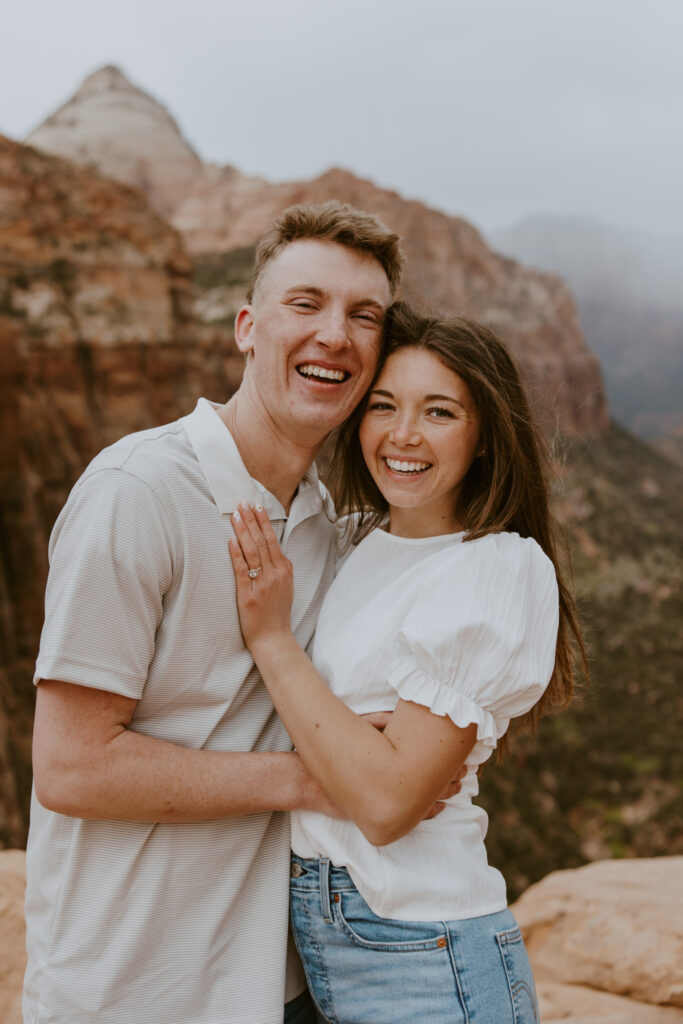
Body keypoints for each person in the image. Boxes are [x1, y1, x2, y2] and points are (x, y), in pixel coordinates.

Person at [24, 201, 409, 1024]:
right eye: (304, 304)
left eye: (362, 316)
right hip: (131, 993)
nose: (334, 335)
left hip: (281, 989)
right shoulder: (139, 493)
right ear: (246, 327)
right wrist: (313, 779)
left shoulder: (321, 523)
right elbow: (70, 768)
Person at [228, 302, 587, 1024]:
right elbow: (361, 765)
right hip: (325, 941)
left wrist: (273, 641)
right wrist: (355, 747)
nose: (402, 435)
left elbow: (388, 804)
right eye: (383, 405)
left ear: (485, 433)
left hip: (424, 954)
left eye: (439, 413)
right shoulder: (356, 543)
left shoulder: (492, 567)